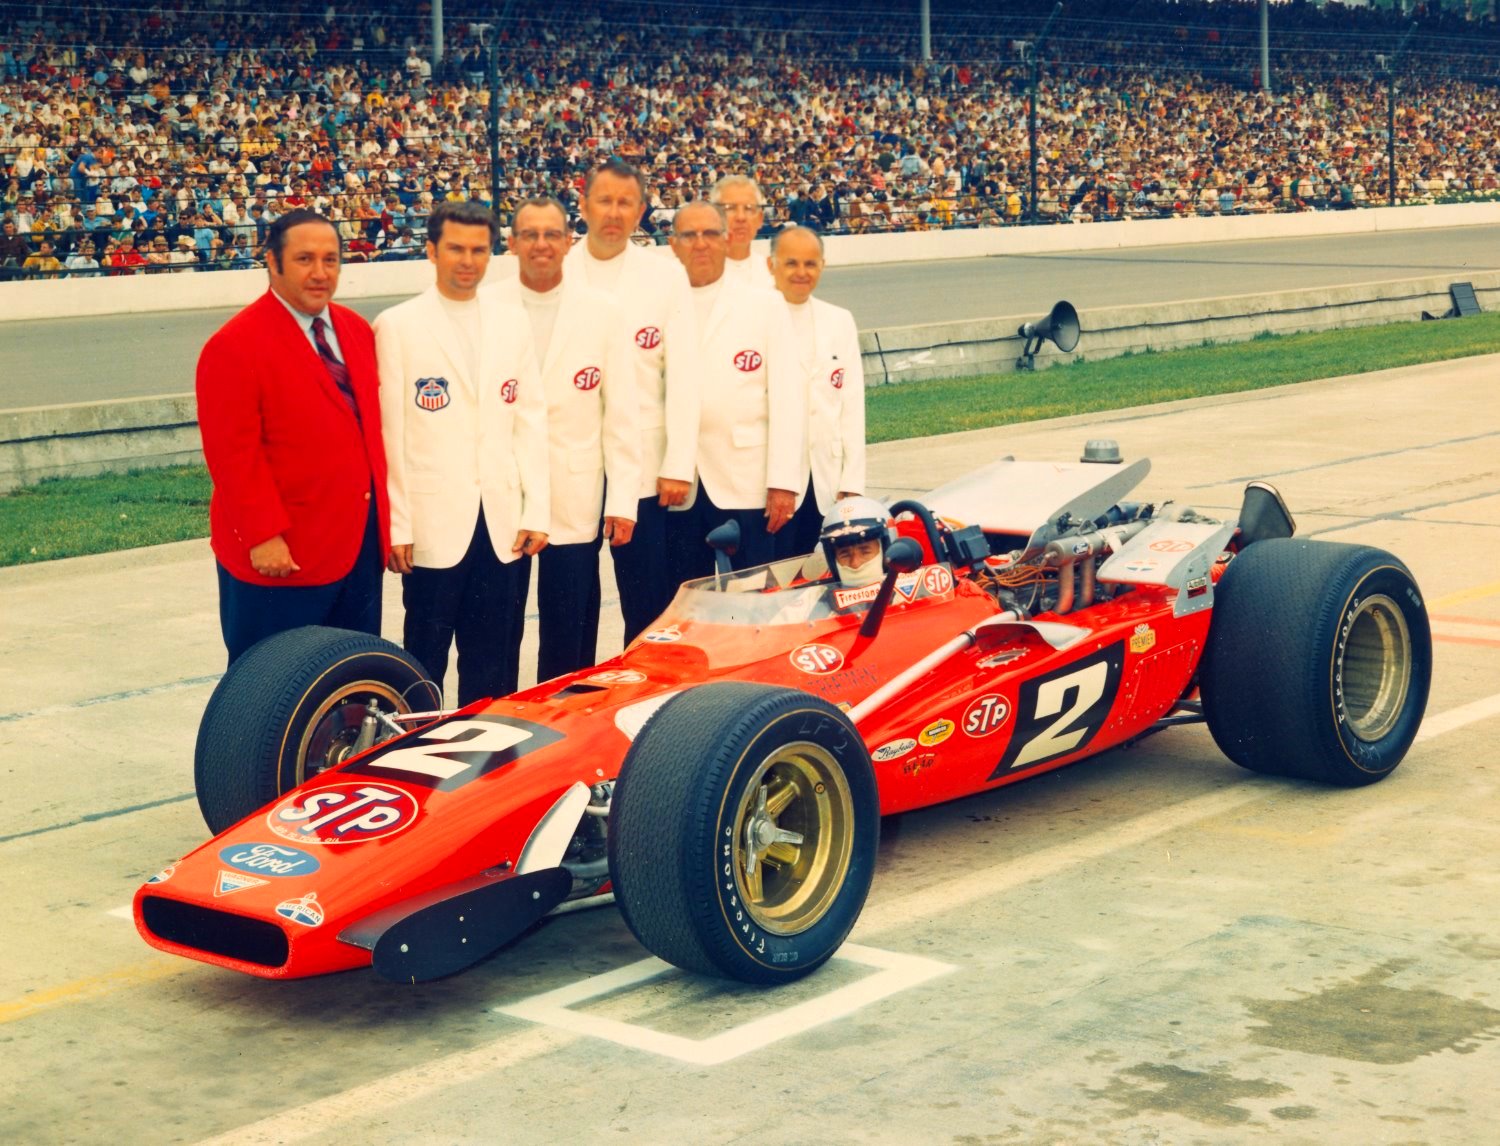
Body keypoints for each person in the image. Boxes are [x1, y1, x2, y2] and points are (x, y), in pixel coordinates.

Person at [196, 208, 389, 665]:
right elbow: (232, 455)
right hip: (282, 556)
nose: (320, 273)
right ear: (272, 262)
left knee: (347, 680)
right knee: (268, 686)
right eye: (305, 259)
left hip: (357, 549)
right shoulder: (233, 345)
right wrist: (263, 535)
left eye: (331, 259)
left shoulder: (357, 331)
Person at [374, 200, 548, 704]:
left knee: (495, 661)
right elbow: (393, 435)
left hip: (501, 524)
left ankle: (491, 765)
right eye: (455, 248)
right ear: (431, 250)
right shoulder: (398, 325)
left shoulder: (511, 322)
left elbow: (529, 421)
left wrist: (535, 508)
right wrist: (399, 526)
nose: (467, 260)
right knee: (424, 659)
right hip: (433, 525)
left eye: (478, 249)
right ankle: (418, 754)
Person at [497, 197, 640, 680]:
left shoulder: (604, 311)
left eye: (551, 234)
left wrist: (622, 498)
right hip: (504, 493)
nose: (541, 245)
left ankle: (561, 729)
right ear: (512, 242)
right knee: (499, 627)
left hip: (575, 494)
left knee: (570, 627)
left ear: (568, 241)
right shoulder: (488, 304)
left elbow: (620, 412)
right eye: (530, 235)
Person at [564, 158, 702, 645]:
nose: (614, 213)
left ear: (642, 210)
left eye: (626, 203)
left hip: (646, 462)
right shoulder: (558, 271)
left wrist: (678, 462)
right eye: (604, 200)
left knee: (646, 600)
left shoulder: (664, 277)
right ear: (583, 205)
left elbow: (684, 377)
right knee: (573, 597)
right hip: (574, 462)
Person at [668, 199, 806, 577]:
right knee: (689, 603)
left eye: (711, 233)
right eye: (689, 235)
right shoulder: (660, 303)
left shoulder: (765, 305)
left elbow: (788, 400)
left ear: (727, 240)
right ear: (672, 243)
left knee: (754, 602)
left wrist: (782, 483)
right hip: (680, 483)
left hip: (748, 481)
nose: (701, 243)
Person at [768, 226, 868, 558]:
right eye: (791, 263)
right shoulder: (757, 318)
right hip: (773, 486)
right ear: (771, 266)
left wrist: (852, 483)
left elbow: (851, 405)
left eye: (810, 264)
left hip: (826, 483)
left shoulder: (840, 320)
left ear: (822, 266)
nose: (801, 272)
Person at [710, 174, 775, 290]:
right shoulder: (694, 274)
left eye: (749, 208)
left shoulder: (772, 273)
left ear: (760, 219)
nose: (741, 217)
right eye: (730, 208)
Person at [818, 496, 893, 588]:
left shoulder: (909, 595)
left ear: (886, 551)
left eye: (865, 552)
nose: (855, 564)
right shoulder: (819, 599)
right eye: (844, 554)